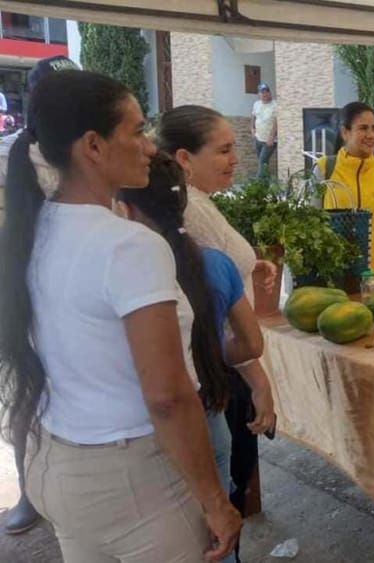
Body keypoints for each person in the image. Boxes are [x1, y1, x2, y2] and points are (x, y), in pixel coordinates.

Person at [0, 69, 241, 561]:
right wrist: (216, 501)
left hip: (57, 461)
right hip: (134, 477)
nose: (150, 145)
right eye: (136, 130)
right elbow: (169, 396)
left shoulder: (33, 232)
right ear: (93, 145)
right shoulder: (130, 245)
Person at [116, 153, 271, 563]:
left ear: (124, 209)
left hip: (153, 432)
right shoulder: (216, 264)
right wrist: (206, 353)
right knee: (218, 530)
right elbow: (251, 343)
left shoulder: (129, 270)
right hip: (209, 419)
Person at [156, 105, 277, 556]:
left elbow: (220, 274)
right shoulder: (190, 212)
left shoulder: (197, 205)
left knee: (227, 488)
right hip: (222, 371)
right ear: (184, 158)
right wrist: (258, 378)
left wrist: (250, 264)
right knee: (225, 493)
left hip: (220, 368)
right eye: (224, 150)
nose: (235, 159)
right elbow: (215, 314)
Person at [0, 54, 80, 537]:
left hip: (78, 293)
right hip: (24, 294)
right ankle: (31, 490)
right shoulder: (10, 158)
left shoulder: (90, 154)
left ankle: (68, 484)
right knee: (26, 392)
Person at [313, 102, 374, 270]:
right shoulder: (325, 169)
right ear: (345, 132)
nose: (371, 135)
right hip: (337, 276)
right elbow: (313, 222)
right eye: (363, 128)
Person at [251, 83, 277, 179]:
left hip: (269, 140)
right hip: (258, 138)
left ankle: (258, 185)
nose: (265, 94)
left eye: (266, 92)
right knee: (263, 162)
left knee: (262, 161)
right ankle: (265, 185)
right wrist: (252, 129)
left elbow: (276, 121)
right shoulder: (256, 104)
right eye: (262, 92)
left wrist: (271, 137)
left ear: (269, 93)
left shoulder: (275, 104)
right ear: (259, 94)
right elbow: (253, 117)